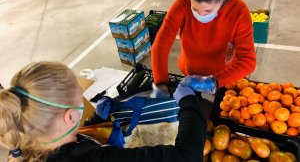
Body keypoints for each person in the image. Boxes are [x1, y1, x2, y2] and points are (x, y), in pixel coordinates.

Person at [0, 61, 207, 162]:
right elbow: (187, 156)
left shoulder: (21, 148)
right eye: (78, 93)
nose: (82, 91)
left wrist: (95, 121)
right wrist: (189, 102)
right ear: (70, 117)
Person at [151, 0, 256, 97]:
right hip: (190, 71)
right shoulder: (182, 4)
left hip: (224, 73)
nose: (201, 15)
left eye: (208, 11)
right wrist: (161, 83)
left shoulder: (238, 11)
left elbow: (247, 61)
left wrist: (215, 81)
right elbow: (161, 44)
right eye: (195, 9)